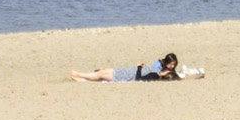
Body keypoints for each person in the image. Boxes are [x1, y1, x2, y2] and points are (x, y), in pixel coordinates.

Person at [71, 53, 204, 83]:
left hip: (129, 75)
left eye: (173, 65)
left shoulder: (163, 73)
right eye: (171, 64)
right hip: (129, 71)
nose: (172, 66)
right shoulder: (161, 67)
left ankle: (80, 75)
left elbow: (141, 77)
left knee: (101, 74)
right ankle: (81, 77)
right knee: (102, 72)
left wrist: (140, 68)